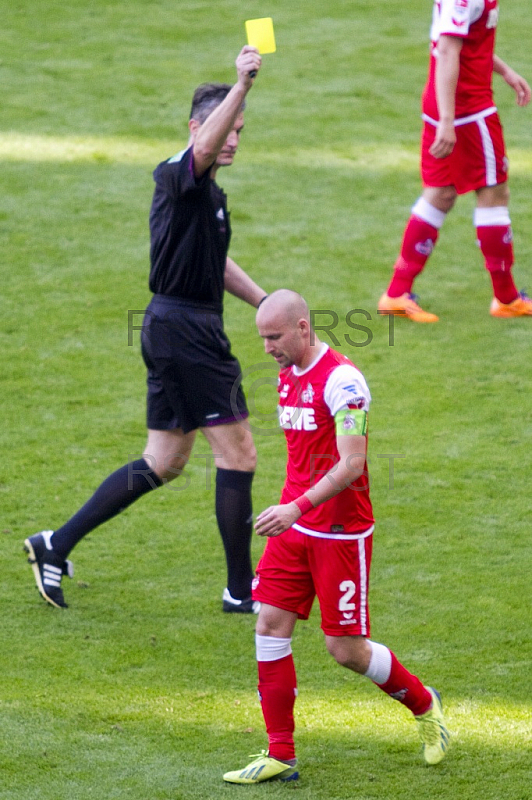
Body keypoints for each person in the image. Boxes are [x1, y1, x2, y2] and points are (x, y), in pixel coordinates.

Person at [24, 45, 268, 613]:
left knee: (165, 460)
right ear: (196, 127)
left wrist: (262, 301)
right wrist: (242, 86)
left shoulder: (207, 194)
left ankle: (55, 544)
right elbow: (203, 149)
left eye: (240, 130)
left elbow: (215, 262)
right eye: (224, 127)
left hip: (175, 327)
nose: (231, 138)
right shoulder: (178, 173)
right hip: (186, 332)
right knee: (239, 456)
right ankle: (241, 592)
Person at [223, 290, 449, 785]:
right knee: (270, 626)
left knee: (345, 650)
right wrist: (292, 510)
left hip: (339, 532)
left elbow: (352, 463)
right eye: (261, 338)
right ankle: (280, 752)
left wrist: (295, 506)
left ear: (304, 328)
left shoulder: (345, 383)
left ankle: (423, 702)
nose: (267, 348)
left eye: (275, 337)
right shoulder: (287, 375)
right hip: (293, 526)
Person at [378, 0, 532, 323]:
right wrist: (448, 120)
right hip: (467, 110)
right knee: (493, 192)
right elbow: (447, 50)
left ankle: (396, 293)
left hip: (445, 104)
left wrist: (504, 71)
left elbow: (466, 42)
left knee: (441, 193)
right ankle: (506, 298)